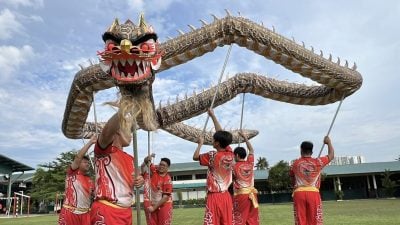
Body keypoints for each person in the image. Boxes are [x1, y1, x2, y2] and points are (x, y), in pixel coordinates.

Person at [90, 112, 144, 225]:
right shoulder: (104, 149)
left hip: (126, 211)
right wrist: (124, 109)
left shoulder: (131, 159)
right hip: (107, 210)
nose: (131, 135)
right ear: (118, 130)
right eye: (128, 130)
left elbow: (132, 180)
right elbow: (105, 133)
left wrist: (140, 180)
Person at [193, 108, 234, 225]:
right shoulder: (230, 154)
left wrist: (200, 144)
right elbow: (221, 133)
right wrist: (213, 116)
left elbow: (195, 157)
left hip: (214, 197)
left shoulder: (212, 156)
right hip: (226, 196)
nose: (212, 140)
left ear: (217, 143)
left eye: (214, 139)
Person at [289, 136, 334, 225]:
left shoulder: (295, 164)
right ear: (312, 151)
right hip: (313, 194)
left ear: (301, 150)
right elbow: (331, 156)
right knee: (315, 221)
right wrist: (328, 142)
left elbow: (292, 179)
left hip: (299, 194)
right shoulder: (318, 162)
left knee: (300, 221)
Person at [58, 135, 96, 225]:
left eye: (88, 162)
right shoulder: (72, 173)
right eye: (85, 162)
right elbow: (78, 157)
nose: (88, 164)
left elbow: (96, 196)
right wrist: (90, 142)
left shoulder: (90, 180)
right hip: (69, 212)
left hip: (86, 214)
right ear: (78, 164)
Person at [232, 131, 260, 225]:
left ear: (236, 155)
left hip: (241, 195)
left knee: (239, 219)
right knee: (252, 219)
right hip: (252, 195)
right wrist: (245, 137)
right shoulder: (250, 164)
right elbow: (251, 150)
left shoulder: (234, 167)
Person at [141, 153, 173, 225]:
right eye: (160, 164)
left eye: (164, 165)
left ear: (168, 167)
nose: (161, 166)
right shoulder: (155, 170)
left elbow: (165, 197)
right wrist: (149, 157)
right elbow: (146, 162)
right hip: (153, 203)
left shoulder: (167, 179)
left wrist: (153, 208)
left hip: (164, 205)